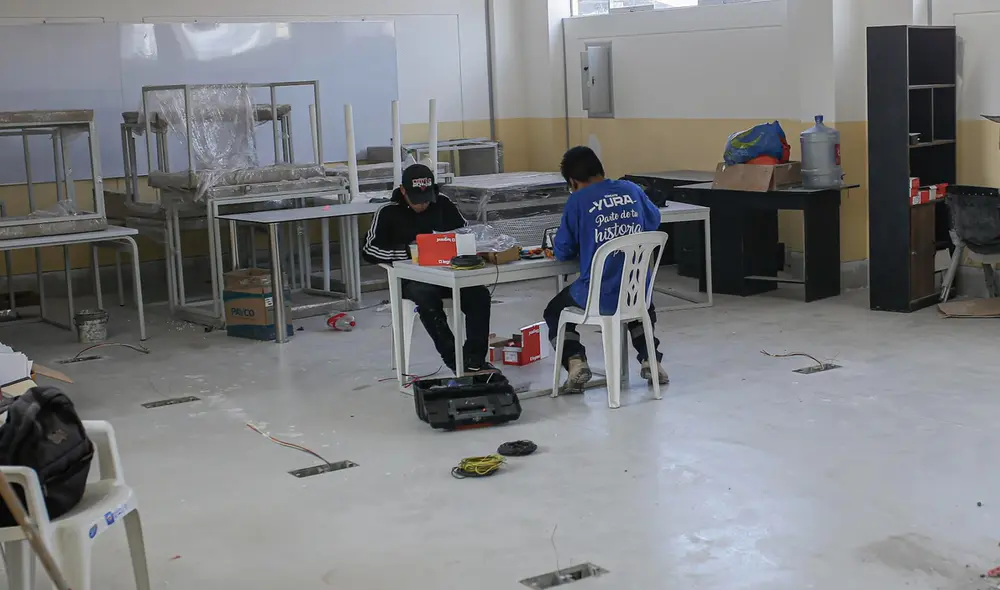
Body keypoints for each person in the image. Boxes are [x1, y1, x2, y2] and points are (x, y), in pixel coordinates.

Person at [544, 146, 670, 392]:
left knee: (554, 312)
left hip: (597, 294)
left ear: (573, 181)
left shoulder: (577, 200)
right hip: (636, 291)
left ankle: (575, 361)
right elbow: (654, 221)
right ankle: (651, 359)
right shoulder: (632, 190)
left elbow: (563, 250)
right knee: (636, 305)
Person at [361, 164, 492, 373]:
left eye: (426, 199)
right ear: (403, 191)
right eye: (416, 200)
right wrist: (407, 252)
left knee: (479, 295)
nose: (422, 205)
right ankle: (454, 360)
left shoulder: (443, 204)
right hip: (412, 279)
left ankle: (474, 359)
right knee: (426, 297)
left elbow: (465, 233)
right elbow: (369, 250)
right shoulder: (387, 212)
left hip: (448, 274)